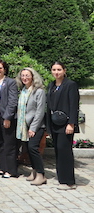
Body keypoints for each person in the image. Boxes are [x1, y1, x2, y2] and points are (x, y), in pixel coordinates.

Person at [46, 62, 79, 190]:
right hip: (55, 123)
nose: (56, 72)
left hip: (66, 124)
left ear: (64, 71)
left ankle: (69, 181)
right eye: (54, 69)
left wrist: (71, 123)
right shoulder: (52, 85)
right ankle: (61, 178)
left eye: (59, 69)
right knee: (58, 151)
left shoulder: (70, 85)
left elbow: (73, 105)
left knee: (64, 150)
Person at [16, 68, 47, 186]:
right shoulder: (23, 90)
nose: (25, 78)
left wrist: (33, 128)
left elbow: (40, 112)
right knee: (29, 149)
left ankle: (41, 174)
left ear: (33, 77)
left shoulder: (39, 91)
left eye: (27, 75)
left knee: (33, 148)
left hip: (36, 125)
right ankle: (34, 172)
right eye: (23, 75)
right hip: (24, 125)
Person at [0, 60, 18, 179]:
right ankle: (2, 167)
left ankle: (11, 170)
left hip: (6, 115)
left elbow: (12, 101)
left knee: (8, 143)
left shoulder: (10, 82)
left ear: (5, 69)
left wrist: (8, 117)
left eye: (0, 68)